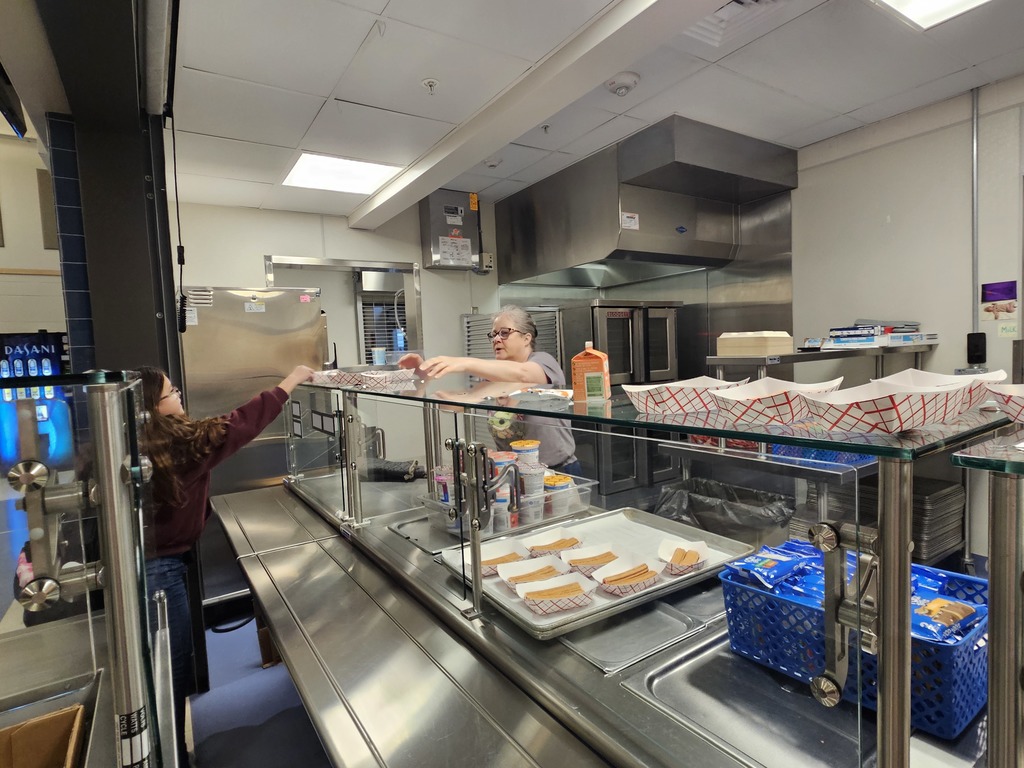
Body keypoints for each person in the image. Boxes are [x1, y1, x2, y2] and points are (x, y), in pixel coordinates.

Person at [138, 363, 314, 767]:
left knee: (159, 671)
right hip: (158, 573)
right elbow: (240, 422)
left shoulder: (130, 442)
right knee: (170, 673)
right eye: (171, 392)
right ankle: (172, 757)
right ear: (152, 407)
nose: (178, 395)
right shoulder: (178, 447)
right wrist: (293, 379)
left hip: (144, 567)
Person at [399, 305, 581, 475]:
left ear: (527, 338)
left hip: (558, 472)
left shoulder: (544, 362)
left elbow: (524, 375)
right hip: (513, 474)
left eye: (504, 333)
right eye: (493, 334)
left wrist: (463, 362)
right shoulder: (491, 379)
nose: (496, 339)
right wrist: (421, 378)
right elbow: (456, 403)